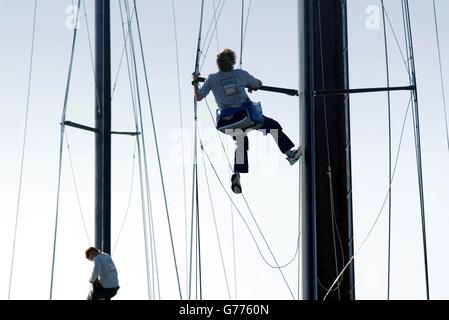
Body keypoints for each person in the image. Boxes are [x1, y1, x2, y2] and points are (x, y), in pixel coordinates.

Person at [193, 48, 302, 194]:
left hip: (227, 123)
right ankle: (290, 154)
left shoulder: (212, 79)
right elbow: (258, 83)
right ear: (232, 61)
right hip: (246, 117)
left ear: (218, 64)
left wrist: (195, 81)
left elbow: (198, 97)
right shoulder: (239, 74)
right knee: (273, 127)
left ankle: (237, 174)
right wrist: (250, 86)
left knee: (241, 141)